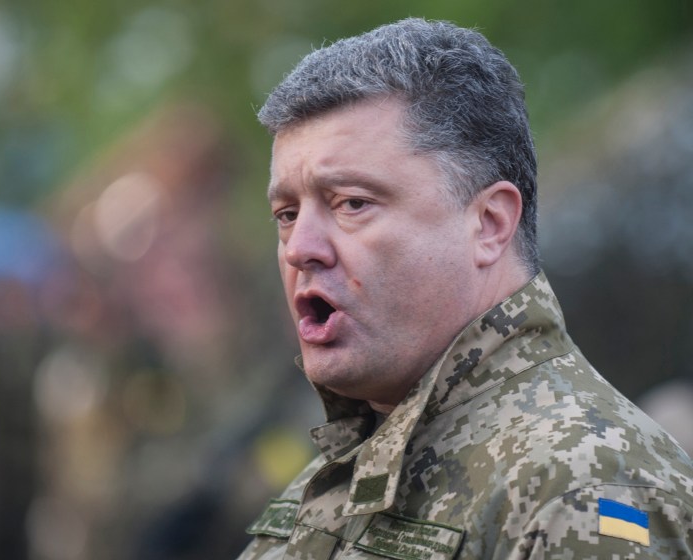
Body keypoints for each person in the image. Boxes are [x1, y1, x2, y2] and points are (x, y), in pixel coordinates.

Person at [238, 18, 693, 559]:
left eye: (352, 203)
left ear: (490, 224)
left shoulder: (584, 489)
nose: (298, 248)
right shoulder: (343, 468)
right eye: (286, 214)